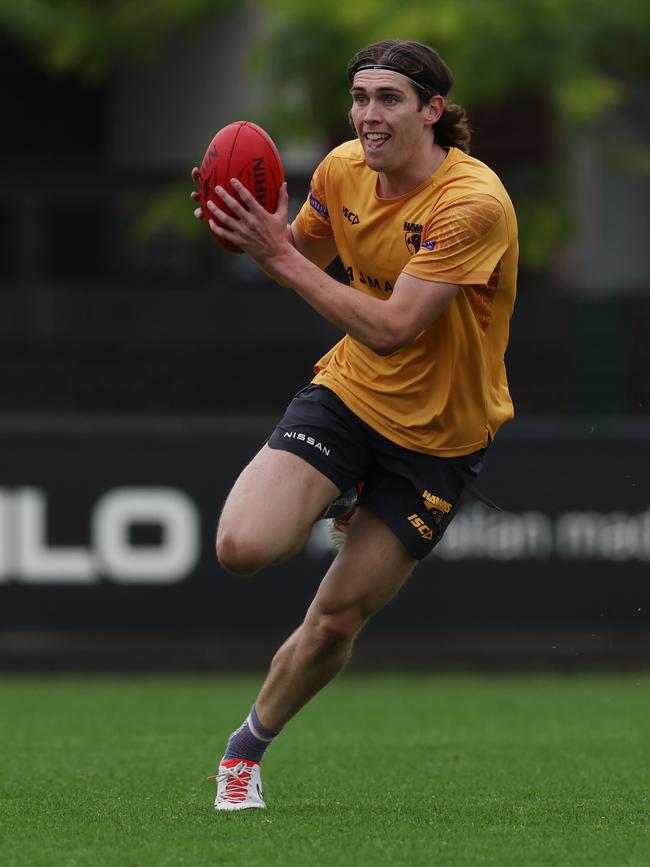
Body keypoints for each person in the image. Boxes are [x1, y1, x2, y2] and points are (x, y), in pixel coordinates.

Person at [192, 38, 518, 811]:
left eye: (388, 100)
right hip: (351, 394)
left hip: (441, 435)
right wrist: (240, 223)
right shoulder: (342, 170)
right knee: (243, 546)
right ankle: (346, 483)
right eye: (360, 98)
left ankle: (244, 751)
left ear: (432, 111)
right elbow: (292, 247)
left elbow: (392, 326)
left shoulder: (473, 202)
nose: (367, 116)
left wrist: (281, 256)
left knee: (336, 620)